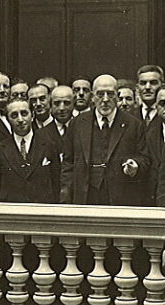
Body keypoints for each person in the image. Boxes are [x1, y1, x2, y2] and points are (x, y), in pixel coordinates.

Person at [60, 74, 149, 206]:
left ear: (117, 96)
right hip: (85, 198)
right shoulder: (77, 124)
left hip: (120, 199)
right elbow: (68, 163)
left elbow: (145, 158)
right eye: (100, 94)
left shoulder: (133, 124)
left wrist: (135, 165)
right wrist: (66, 199)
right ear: (92, 97)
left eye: (110, 94)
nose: (106, 99)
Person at [0, 99, 60, 204]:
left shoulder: (49, 146)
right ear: (8, 119)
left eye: (24, 113)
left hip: (41, 208)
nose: (20, 119)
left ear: (32, 116)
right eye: (14, 115)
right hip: (11, 209)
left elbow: (56, 182)